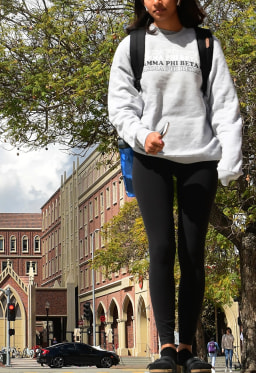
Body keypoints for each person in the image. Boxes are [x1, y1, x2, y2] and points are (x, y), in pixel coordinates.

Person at [107, 0, 242, 373]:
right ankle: (166, 347)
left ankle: (187, 346)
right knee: (162, 247)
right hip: (151, 158)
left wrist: (230, 161)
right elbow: (119, 105)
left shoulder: (205, 44)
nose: (156, 2)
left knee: (193, 251)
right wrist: (141, 134)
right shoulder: (133, 45)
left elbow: (225, 106)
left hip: (200, 159)